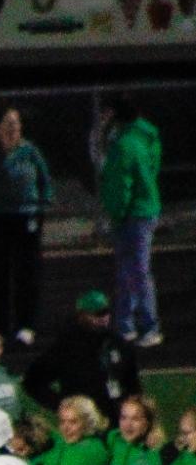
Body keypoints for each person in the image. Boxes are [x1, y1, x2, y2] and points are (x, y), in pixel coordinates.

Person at [0, 107, 53, 346]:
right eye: (8, 124)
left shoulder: (30, 151)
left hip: (26, 217)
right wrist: (2, 155)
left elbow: (44, 179)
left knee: (27, 273)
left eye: (16, 123)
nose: (13, 129)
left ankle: (26, 325)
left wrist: (41, 204)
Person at [98, 95, 162, 348]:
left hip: (132, 214)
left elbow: (120, 185)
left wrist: (116, 212)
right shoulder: (147, 137)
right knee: (131, 271)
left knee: (136, 272)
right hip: (145, 209)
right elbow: (152, 168)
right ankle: (125, 324)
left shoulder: (123, 144)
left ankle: (147, 325)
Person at [24, 290, 140, 424]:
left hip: (116, 421)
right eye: (97, 314)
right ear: (82, 315)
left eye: (105, 312)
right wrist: (61, 405)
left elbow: (133, 385)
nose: (103, 318)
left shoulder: (118, 344)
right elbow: (33, 381)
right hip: (82, 424)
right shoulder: (66, 347)